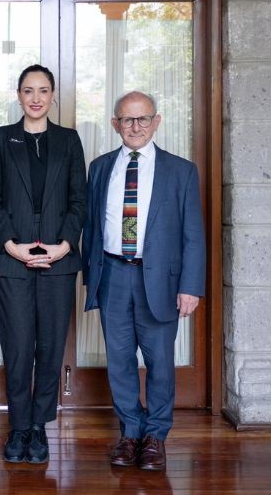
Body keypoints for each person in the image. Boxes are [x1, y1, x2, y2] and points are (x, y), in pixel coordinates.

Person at [82, 91, 205, 470]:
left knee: (160, 364)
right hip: (113, 274)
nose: (135, 127)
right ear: (115, 123)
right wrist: (92, 277)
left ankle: (155, 436)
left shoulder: (180, 171)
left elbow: (192, 235)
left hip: (161, 282)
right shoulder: (101, 167)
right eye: (127, 120)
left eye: (142, 119)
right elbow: (91, 224)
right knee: (119, 361)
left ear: (157, 121)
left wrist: (191, 285)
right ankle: (130, 433)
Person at [0, 64, 87, 464]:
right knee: (19, 345)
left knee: (51, 345)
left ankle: (40, 426)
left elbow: (80, 198)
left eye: (43, 90)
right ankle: (18, 426)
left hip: (59, 258)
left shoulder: (70, 140)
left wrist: (64, 245)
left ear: (53, 95)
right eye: (29, 90)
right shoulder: (0, 138)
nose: (36, 98)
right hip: (13, 258)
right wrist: (9, 244)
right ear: (19, 95)